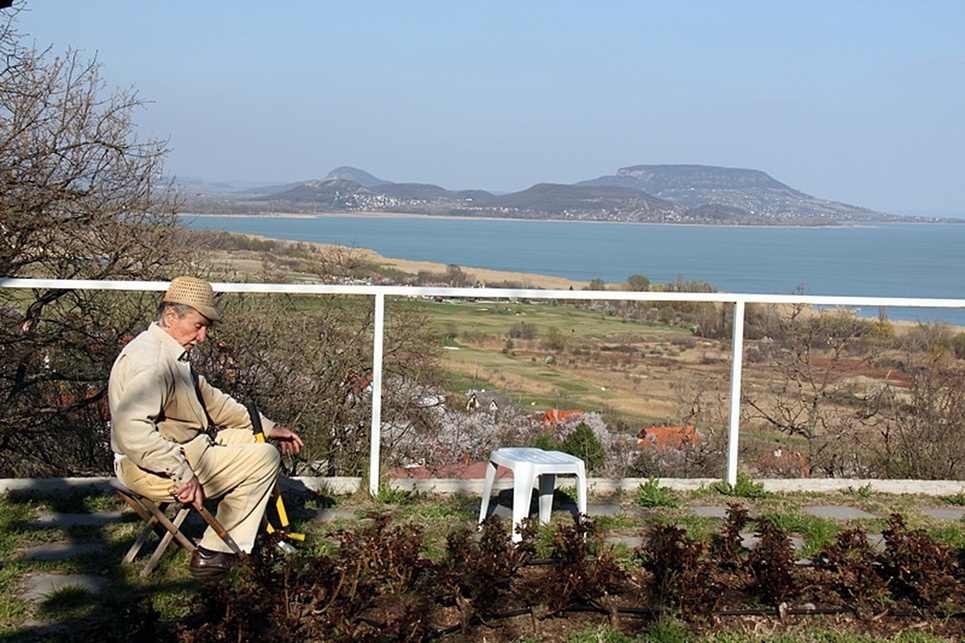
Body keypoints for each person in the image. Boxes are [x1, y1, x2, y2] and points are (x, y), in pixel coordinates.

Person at [109, 276, 303, 578]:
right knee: (264, 458)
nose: (202, 337)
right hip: (152, 468)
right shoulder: (152, 363)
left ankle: (235, 536)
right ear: (171, 316)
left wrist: (268, 427)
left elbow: (215, 403)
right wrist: (181, 473)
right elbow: (131, 431)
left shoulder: (173, 355)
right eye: (198, 326)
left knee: (258, 441)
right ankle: (215, 554)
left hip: (185, 451)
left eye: (205, 329)